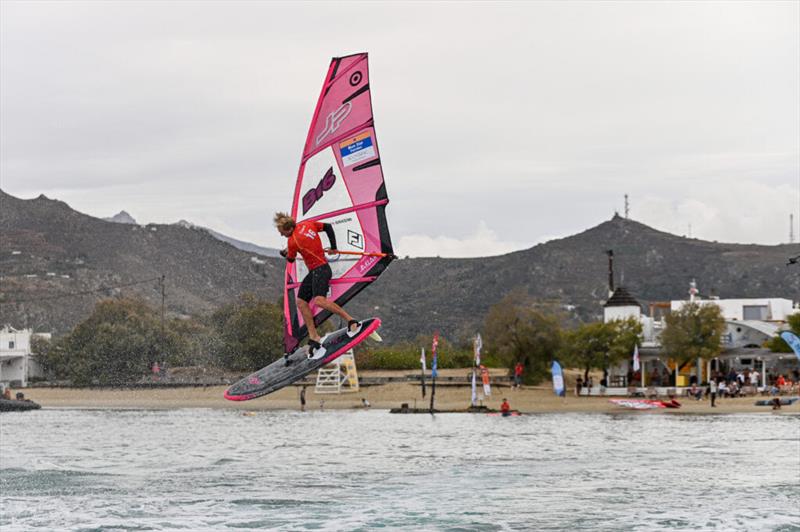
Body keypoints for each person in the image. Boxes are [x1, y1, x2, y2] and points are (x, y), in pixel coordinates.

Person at [275, 212, 361, 363]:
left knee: (320, 301)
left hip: (320, 270)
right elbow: (328, 227)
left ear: (287, 229)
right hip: (317, 271)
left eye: (282, 232)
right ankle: (314, 336)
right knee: (301, 301)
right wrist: (334, 247)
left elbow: (291, 258)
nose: (282, 235)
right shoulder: (307, 224)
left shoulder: (292, 241)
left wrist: (285, 254)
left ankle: (351, 320)